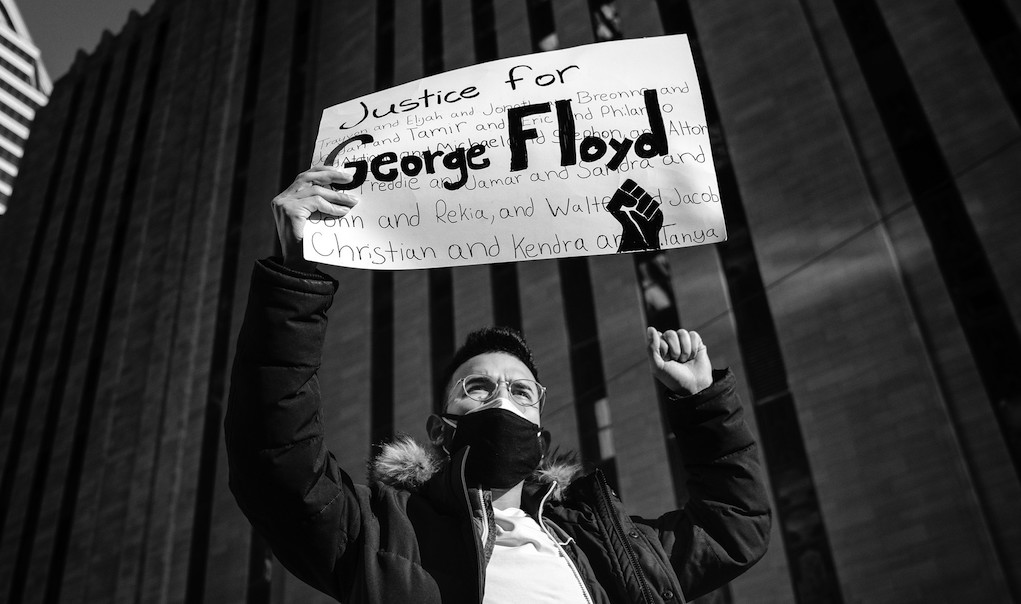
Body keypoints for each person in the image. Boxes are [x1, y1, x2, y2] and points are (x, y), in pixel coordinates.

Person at [225, 166, 771, 603]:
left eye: (521, 391)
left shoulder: (606, 543)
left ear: (539, 426)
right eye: (478, 388)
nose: (502, 399)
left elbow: (733, 526)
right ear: (441, 428)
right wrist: (295, 279)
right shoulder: (380, 531)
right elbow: (277, 461)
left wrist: (701, 404)